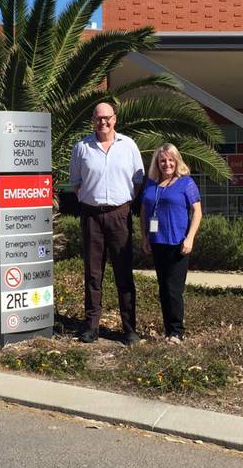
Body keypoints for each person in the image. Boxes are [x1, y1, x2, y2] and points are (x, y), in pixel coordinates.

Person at [69, 102, 145, 345]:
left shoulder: (129, 145)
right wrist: (90, 199)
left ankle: (130, 329)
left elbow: (138, 181)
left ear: (115, 119)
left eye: (107, 118)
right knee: (93, 273)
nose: (103, 122)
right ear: (93, 120)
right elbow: (75, 182)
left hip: (120, 215)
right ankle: (91, 326)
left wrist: (122, 204)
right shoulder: (81, 147)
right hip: (91, 216)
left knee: (123, 272)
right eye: (98, 118)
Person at [140, 143, 202, 344]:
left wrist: (190, 237)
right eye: (162, 160)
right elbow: (144, 212)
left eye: (170, 160)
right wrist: (145, 237)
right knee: (163, 288)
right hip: (157, 242)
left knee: (174, 289)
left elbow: (197, 212)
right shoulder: (151, 184)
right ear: (157, 163)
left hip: (178, 242)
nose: (166, 164)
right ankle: (169, 330)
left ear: (177, 161)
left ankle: (177, 332)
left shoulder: (186, 183)